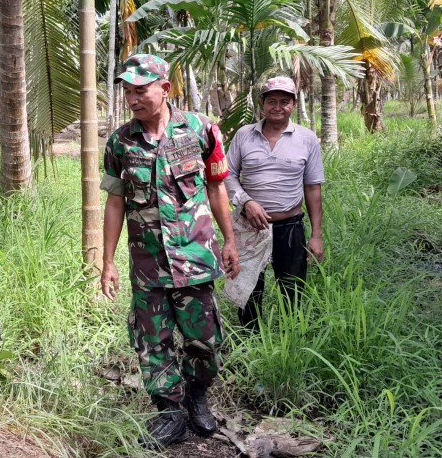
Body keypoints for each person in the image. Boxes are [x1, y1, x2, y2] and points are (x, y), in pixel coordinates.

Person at [99, 54, 240, 448]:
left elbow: (216, 188)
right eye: (127, 91)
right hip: (148, 265)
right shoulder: (120, 142)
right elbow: (115, 203)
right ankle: (170, 411)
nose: (132, 99)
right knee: (152, 342)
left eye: (140, 90)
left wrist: (229, 241)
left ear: (165, 89)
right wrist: (108, 262)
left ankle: (198, 396)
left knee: (204, 340)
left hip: (195, 259)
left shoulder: (201, 130)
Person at [225, 76, 324, 330]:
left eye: (284, 101)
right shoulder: (244, 135)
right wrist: (246, 202)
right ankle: (249, 341)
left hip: (290, 227)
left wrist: (317, 235)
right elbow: (228, 176)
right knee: (248, 290)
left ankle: (290, 343)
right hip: (249, 227)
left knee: (292, 289)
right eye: (272, 101)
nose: (277, 107)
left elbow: (312, 187)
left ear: (293, 104)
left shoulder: (307, 139)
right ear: (262, 104)